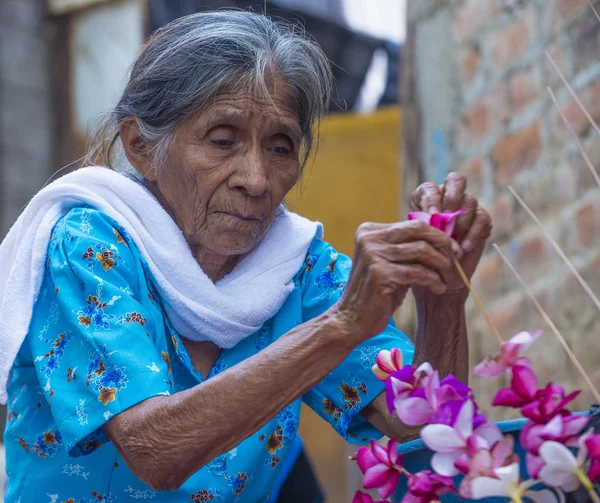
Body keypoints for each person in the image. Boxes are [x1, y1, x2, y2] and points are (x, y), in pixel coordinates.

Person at [0, 10, 491, 503]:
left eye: (280, 147)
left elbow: (426, 427)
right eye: (222, 141)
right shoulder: (90, 244)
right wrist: (339, 327)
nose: (255, 180)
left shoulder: (298, 270)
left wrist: (443, 300)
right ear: (142, 146)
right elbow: (156, 452)